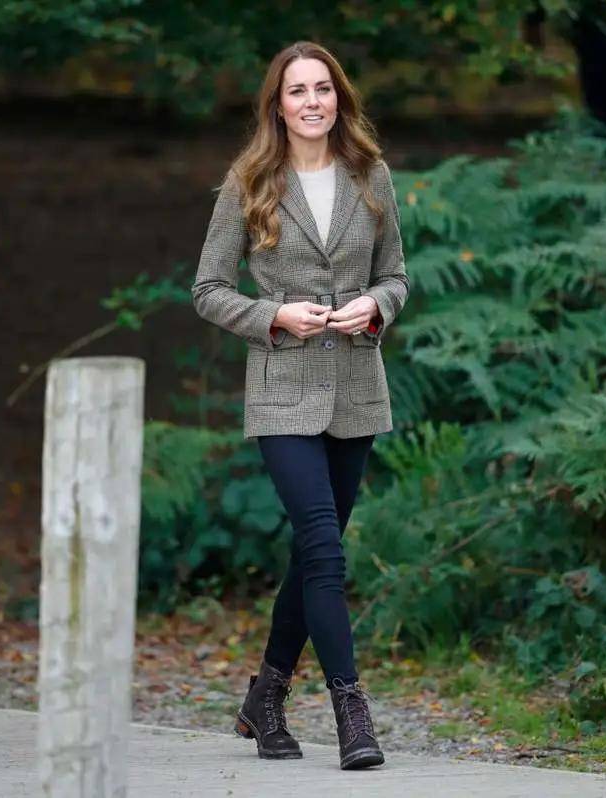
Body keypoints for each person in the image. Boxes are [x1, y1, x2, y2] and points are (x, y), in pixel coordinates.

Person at [191, 40, 410, 771]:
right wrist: (275, 316)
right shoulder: (249, 181)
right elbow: (208, 290)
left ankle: (267, 697)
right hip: (282, 389)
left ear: (338, 98)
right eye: (297, 91)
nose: (312, 101)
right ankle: (352, 711)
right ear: (277, 106)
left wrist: (375, 307)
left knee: (313, 551)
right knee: (323, 546)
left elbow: (396, 276)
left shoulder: (371, 176)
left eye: (323, 88)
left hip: (356, 387)